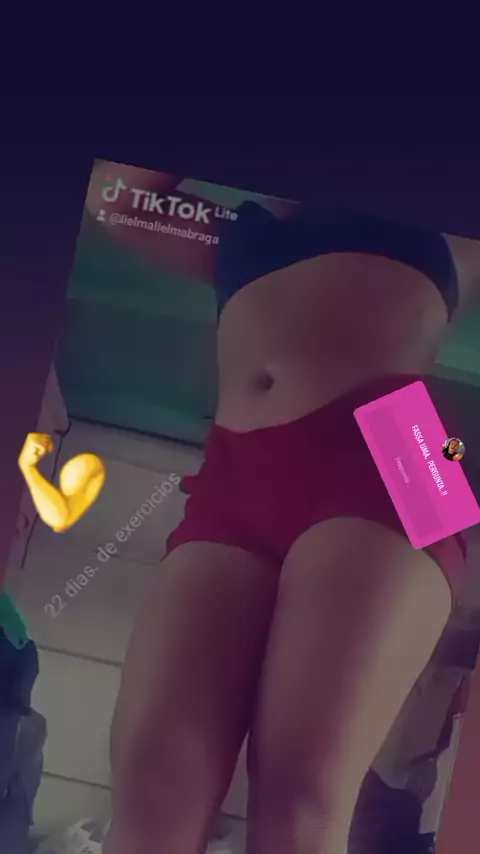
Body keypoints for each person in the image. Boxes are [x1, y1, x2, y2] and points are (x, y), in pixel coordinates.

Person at [103, 202, 480, 854]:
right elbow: (113, 197)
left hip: (402, 445)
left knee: (304, 798)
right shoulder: (233, 230)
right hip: (235, 470)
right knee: (153, 788)